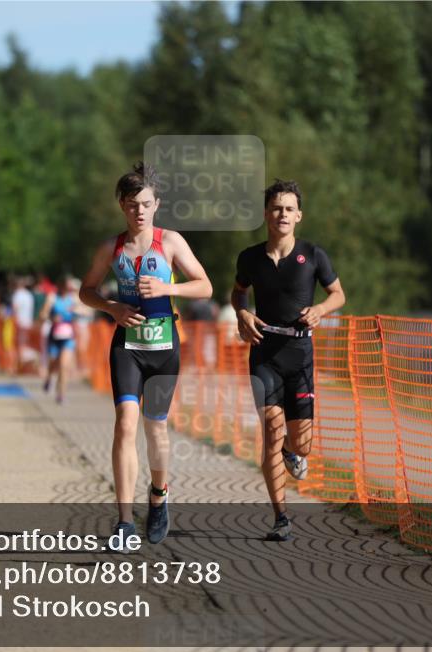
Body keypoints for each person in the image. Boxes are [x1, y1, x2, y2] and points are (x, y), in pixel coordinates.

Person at [80, 162, 212, 546]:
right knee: (124, 423)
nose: (140, 210)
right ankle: (124, 521)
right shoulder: (112, 247)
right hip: (127, 347)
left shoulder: (170, 242)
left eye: (146, 203)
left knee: (155, 429)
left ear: (157, 205)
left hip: (164, 347)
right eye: (132, 203)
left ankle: (159, 495)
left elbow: (204, 286)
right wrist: (111, 308)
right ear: (121, 205)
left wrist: (167, 289)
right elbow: (86, 290)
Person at [231, 179, 346, 541]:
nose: (282, 214)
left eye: (288, 209)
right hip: (264, 353)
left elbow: (338, 294)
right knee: (270, 432)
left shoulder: (313, 255)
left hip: (300, 356)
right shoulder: (250, 257)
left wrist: (321, 310)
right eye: (276, 208)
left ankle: (292, 453)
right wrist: (243, 314)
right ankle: (281, 517)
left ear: (299, 216)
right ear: (266, 214)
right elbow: (238, 293)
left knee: (302, 444)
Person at [40, 277, 79, 404]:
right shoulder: (52, 297)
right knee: (53, 363)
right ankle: (49, 378)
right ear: (60, 286)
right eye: (66, 287)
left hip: (68, 337)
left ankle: (61, 394)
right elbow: (42, 314)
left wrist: (77, 311)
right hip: (54, 336)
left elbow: (87, 310)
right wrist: (52, 317)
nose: (67, 290)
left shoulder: (73, 298)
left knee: (63, 365)